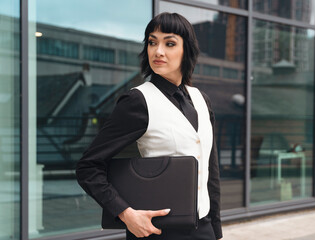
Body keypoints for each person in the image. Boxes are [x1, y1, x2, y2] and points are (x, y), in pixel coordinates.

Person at [76, 12, 223, 240]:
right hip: (156, 231)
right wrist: (126, 214)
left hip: (203, 228)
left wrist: (215, 229)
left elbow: (211, 168)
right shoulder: (138, 101)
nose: (158, 51)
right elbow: (88, 166)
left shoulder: (202, 100)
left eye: (170, 43)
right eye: (152, 42)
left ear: (187, 50)